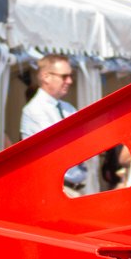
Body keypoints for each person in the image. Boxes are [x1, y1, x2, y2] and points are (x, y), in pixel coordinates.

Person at [19, 56, 83, 191]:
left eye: (70, 76)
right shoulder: (34, 110)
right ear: (46, 77)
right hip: (53, 189)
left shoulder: (68, 108)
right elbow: (57, 150)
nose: (69, 81)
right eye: (64, 76)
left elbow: (83, 143)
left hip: (73, 187)